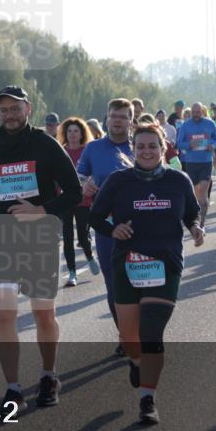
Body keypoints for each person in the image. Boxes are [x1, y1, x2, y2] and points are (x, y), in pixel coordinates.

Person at [0, 86, 82, 416]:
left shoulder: (45, 144)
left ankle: (49, 375)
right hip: (0, 238)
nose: (9, 115)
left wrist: (41, 210)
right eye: (3, 110)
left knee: (43, 313)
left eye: (15, 108)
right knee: (4, 313)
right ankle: (13, 389)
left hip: (39, 237)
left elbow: (74, 192)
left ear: (28, 108)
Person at [89, 122, 205, 424]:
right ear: (133, 149)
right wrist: (113, 229)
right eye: (140, 146)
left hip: (165, 263)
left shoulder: (178, 180)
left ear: (164, 147)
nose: (147, 151)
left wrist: (195, 227)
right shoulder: (118, 181)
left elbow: (191, 211)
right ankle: (137, 361)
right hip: (126, 263)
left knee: (151, 331)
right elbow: (95, 217)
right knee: (129, 335)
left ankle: (147, 398)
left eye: (153, 145)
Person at [78, 98, 136, 357]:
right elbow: (78, 178)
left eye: (123, 116)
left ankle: (141, 332)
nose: (117, 120)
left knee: (142, 282)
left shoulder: (141, 146)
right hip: (106, 227)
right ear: (107, 118)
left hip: (140, 226)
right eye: (113, 115)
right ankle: (125, 335)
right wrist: (84, 185)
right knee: (114, 285)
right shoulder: (93, 148)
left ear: (131, 121)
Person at [58, 117, 99, 287]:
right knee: (67, 237)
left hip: (84, 199)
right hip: (65, 200)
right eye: (69, 131)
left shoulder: (87, 151)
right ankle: (72, 273)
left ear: (81, 134)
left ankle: (89, 256)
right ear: (65, 134)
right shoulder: (60, 151)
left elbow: (95, 173)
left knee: (82, 236)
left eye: (76, 131)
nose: (73, 134)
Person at [175, 102, 216, 228]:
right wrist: (189, 145)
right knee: (195, 196)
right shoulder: (186, 125)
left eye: (198, 112)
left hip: (206, 163)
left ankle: (202, 223)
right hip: (191, 163)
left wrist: (213, 145)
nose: (195, 115)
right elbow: (179, 143)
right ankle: (196, 217)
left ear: (202, 112)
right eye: (194, 112)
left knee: (203, 193)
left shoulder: (210, 123)